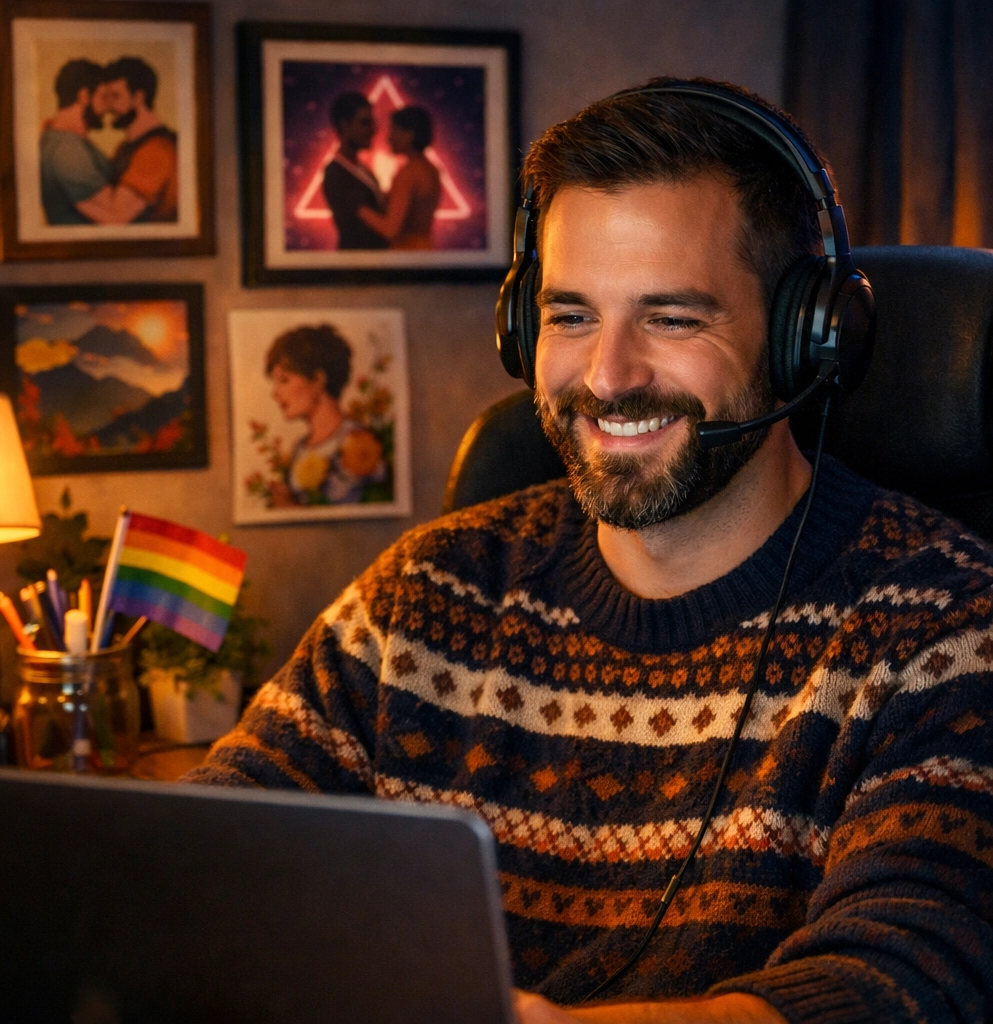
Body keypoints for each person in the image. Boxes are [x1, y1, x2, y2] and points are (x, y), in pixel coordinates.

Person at [187, 79, 993, 1023]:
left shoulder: (943, 628)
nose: (608, 377)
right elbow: (201, 861)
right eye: (571, 316)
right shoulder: (424, 593)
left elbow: (901, 981)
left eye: (673, 318)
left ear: (803, 338)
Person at [265, 324, 386, 505]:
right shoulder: (299, 449)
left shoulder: (358, 442)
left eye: (284, 380)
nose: (275, 393)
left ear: (317, 380)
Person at [76, 56, 178, 224]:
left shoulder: (157, 150)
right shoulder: (126, 146)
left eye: (116, 96)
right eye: (106, 97)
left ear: (138, 97)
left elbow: (116, 218)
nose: (109, 106)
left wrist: (70, 197)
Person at [357, 105, 441, 249]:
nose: (389, 138)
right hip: (425, 249)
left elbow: (390, 230)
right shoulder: (431, 169)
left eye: (394, 131)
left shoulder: (408, 174)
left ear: (409, 135)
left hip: (406, 253)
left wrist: (359, 208)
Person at [39, 59, 111, 225]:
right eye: (103, 97)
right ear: (84, 96)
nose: (107, 107)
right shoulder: (67, 149)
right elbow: (114, 216)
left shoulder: (66, 140)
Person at [322, 91, 388, 249]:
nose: (373, 129)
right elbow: (378, 226)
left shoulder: (360, 168)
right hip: (357, 259)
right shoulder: (336, 174)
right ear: (344, 125)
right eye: (364, 123)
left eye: (372, 122)